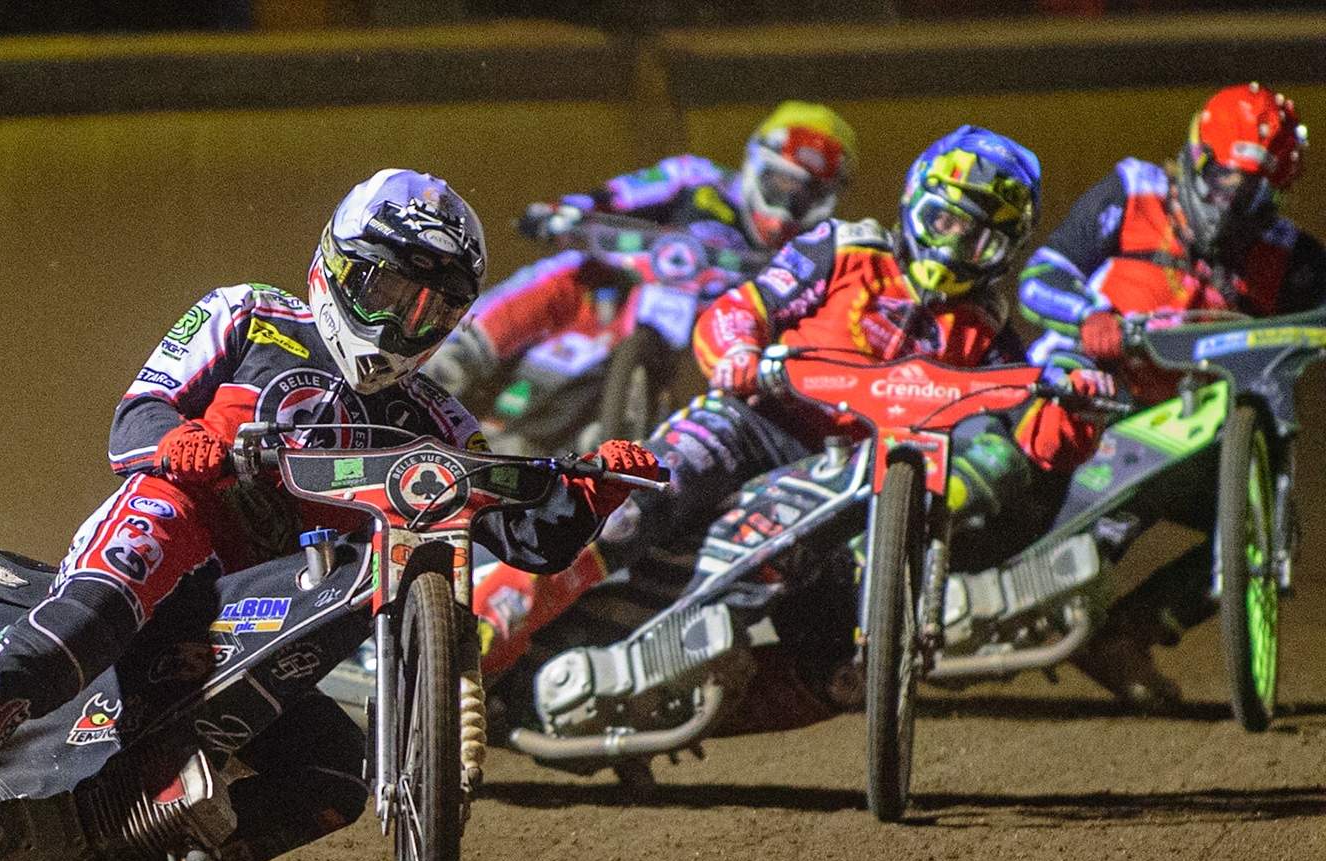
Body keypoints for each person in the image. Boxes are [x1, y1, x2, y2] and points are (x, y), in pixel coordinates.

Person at [0, 168, 660, 861]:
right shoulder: (247, 312)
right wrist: (180, 442)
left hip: (262, 611)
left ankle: (92, 860)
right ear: (336, 265)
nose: (402, 322)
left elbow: (520, 538)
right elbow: (134, 416)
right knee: (94, 610)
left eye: (429, 309)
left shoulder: (435, 417)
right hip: (176, 526)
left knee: (333, 776)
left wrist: (589, 496)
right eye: (388, 289)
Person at [474, 127, 1116, 686]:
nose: (953, 248)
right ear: (917, 206)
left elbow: (1036, 443)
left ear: (1004, 252)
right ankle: (488, 615)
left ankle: (653, 687)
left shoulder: (988, 332)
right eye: (946, 222)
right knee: (636, 490)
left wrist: (1079, 407)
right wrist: (736, 352)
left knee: (807, 633)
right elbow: (740, 308)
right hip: (754, 417)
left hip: (847, 475)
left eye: (979, 240)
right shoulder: (846, 247)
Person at [1018, 83, 1322, 704]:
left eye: (1257, 192)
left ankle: (1127, 634)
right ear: (1195, 157)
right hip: (1077, 404)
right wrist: (1087, 317)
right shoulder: (1132, 193)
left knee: (1268, 526)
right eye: (1225, 181)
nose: (1236, 203)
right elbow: (1041, 274)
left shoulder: (1283, 254)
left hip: (1179, 432)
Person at [425, 101, 858, 407]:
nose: (788, 201)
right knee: (572, 271)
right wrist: (562, 213)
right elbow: (616, 195)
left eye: (806, 194)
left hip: (715, 361)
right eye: (781, 182)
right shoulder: (694, 178)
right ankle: (451, 354)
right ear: (755, 164)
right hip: (618, 309)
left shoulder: (815, 250)